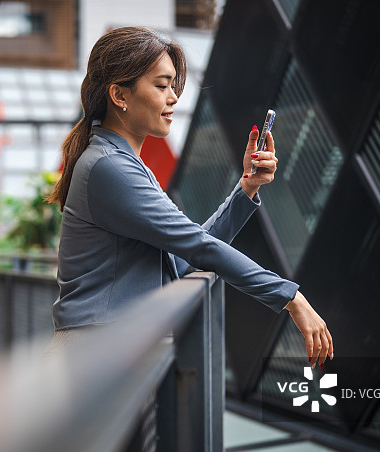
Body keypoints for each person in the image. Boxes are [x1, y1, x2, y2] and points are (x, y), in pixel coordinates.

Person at [46, 26, 333, 369]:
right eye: (162, 85)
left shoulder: (119, 164)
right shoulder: (110, 168)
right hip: (95, 355)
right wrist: (291, 298)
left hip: (109, 348)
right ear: (119, 95)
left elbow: (183, 257)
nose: (173, 98)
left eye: (173, 87)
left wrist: (247, 188)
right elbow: (197, 246)